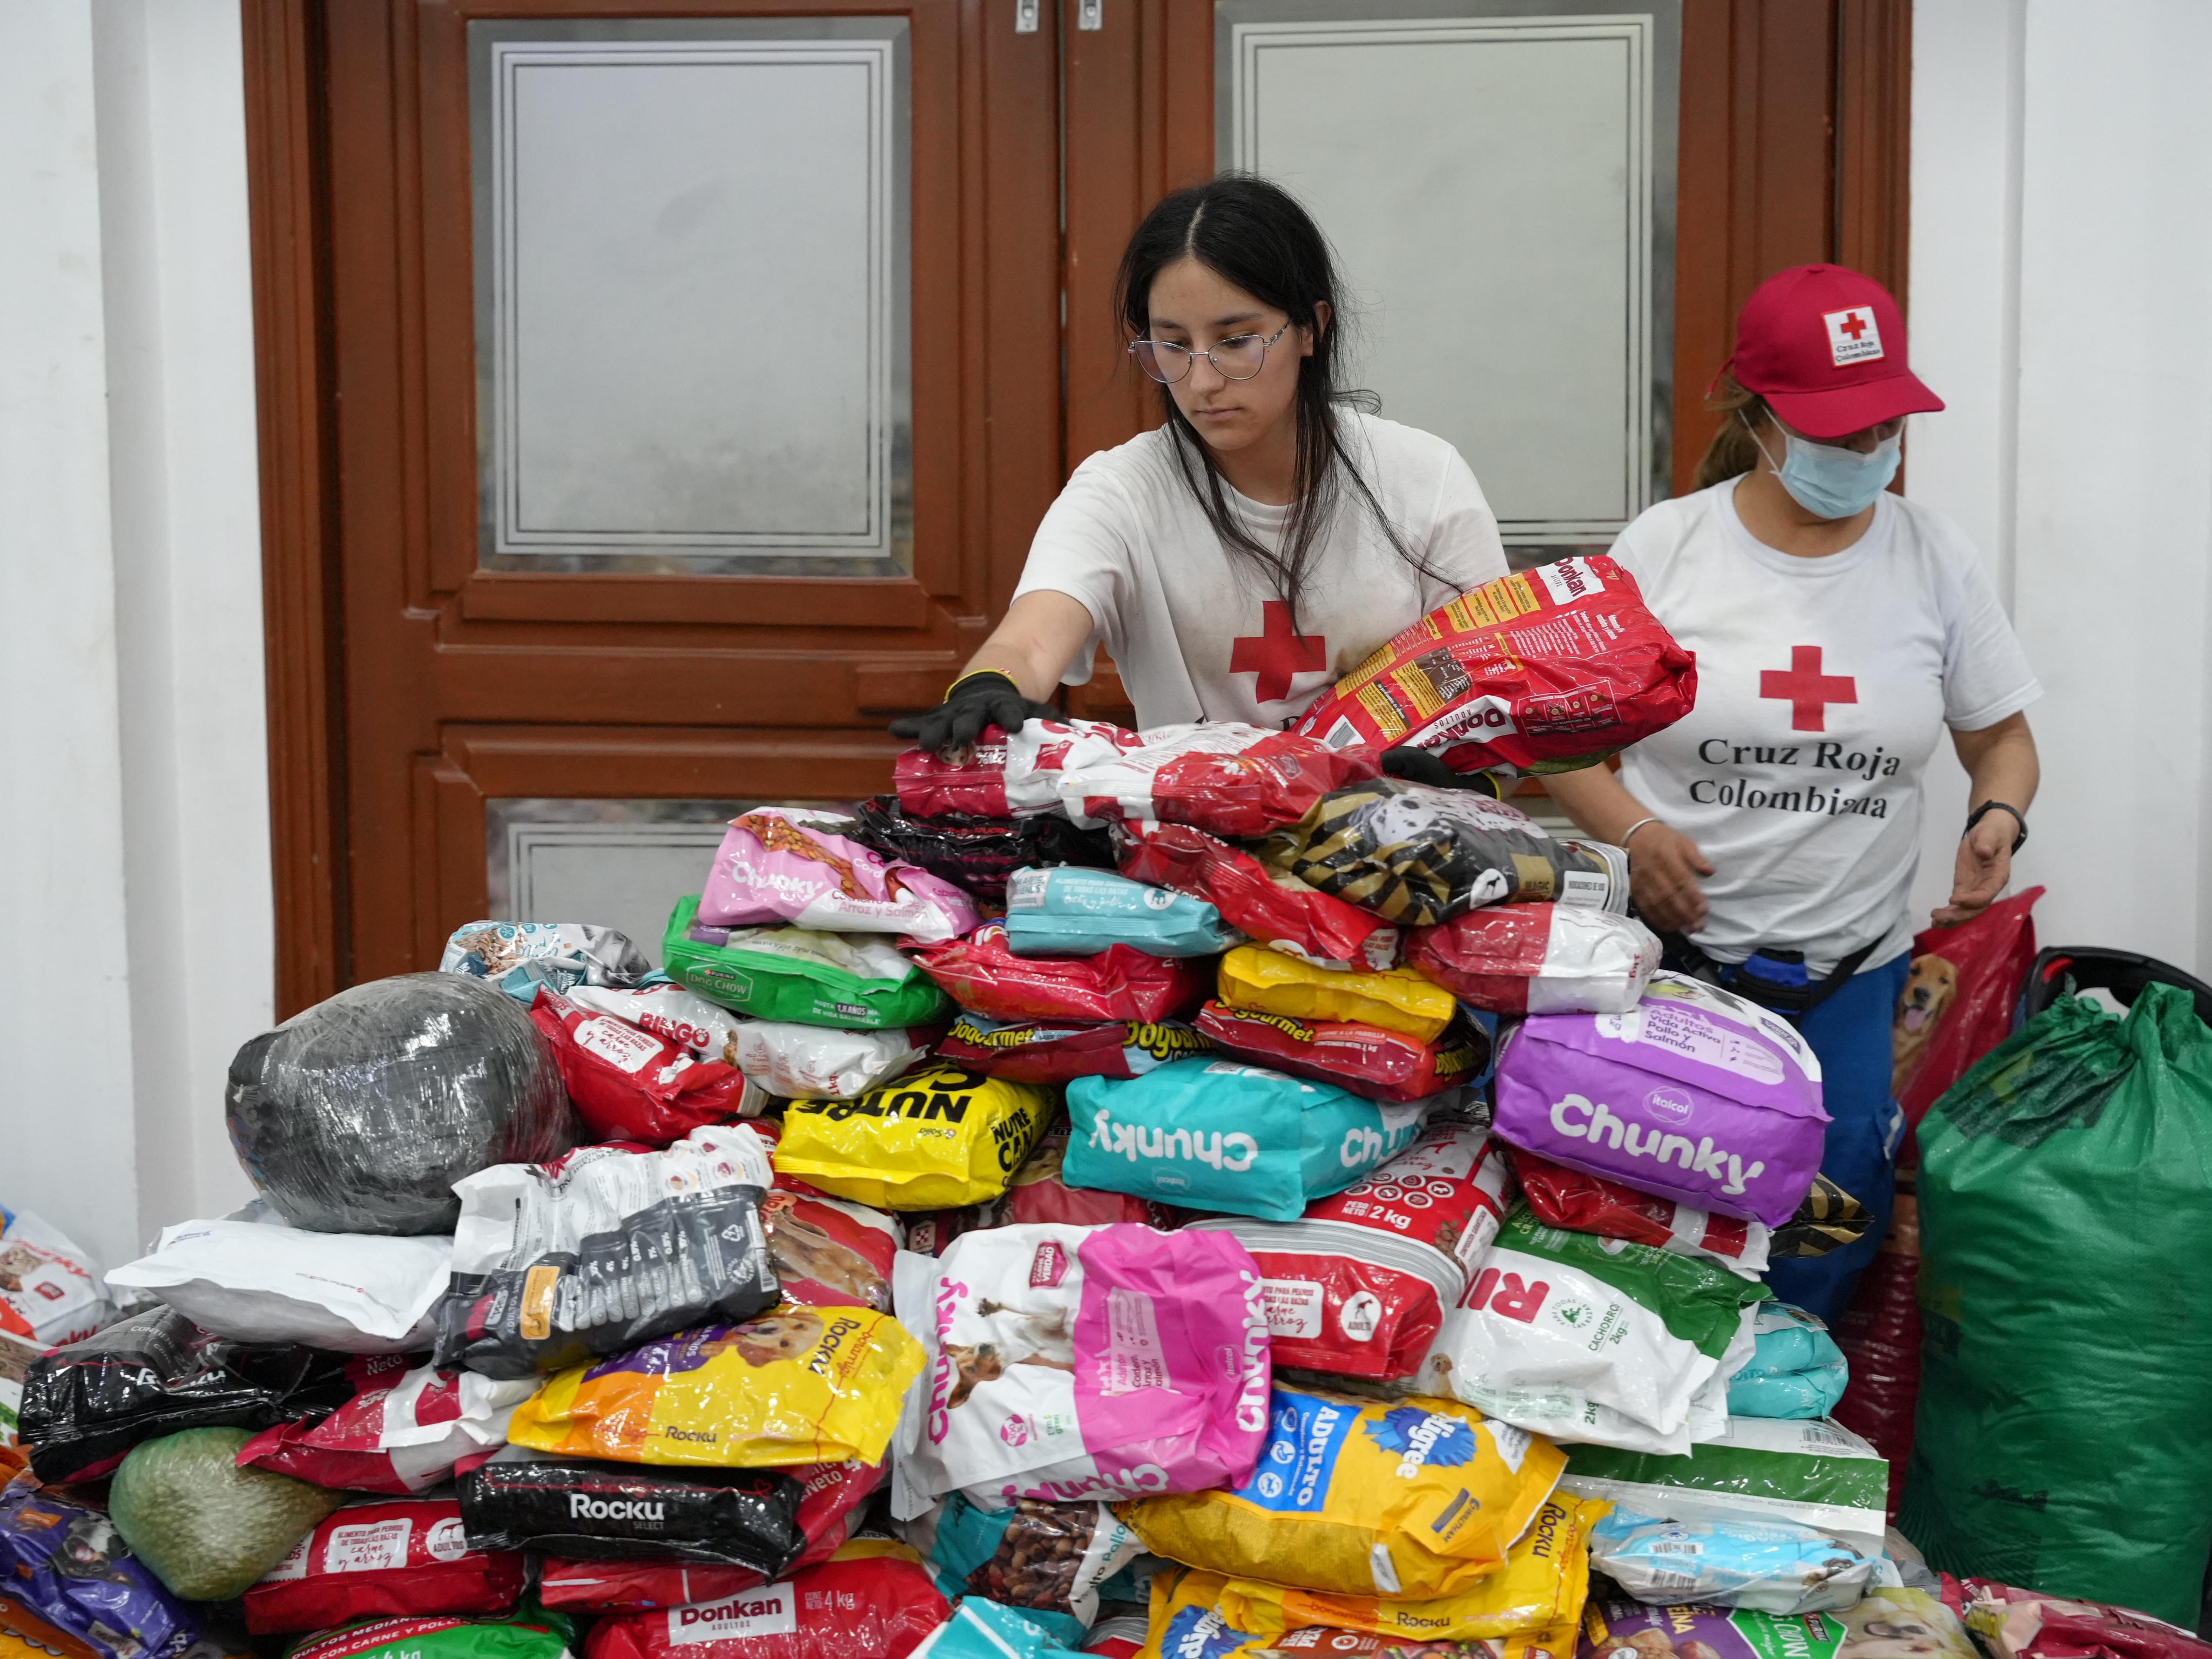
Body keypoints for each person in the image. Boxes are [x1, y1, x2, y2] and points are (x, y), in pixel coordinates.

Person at [1546, 264, 2041, 1321]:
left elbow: (1999, 738)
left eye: (1880, 428)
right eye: (1836, 430)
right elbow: (1555, 749)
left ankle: (1784, 1444)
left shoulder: (1929, 556)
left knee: (1826, 1234)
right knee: (1651, 1232)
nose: (1866, 453)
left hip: (1852, 981)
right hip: (1679, 970)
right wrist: (1634, 833)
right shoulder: (1667, 550)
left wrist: (1995, 816)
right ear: (1756, 415)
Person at [890, 173, 1508, 760]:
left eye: (1236, 341)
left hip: (1403, 841)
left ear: (1311, 329)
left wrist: (1464, 768)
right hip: (1195, 847)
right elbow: (1030, 637)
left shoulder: (1424, 480)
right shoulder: (1122, 493)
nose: (1203, 380)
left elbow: (1502, 685)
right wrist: (985, 688)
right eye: (1174, 345)